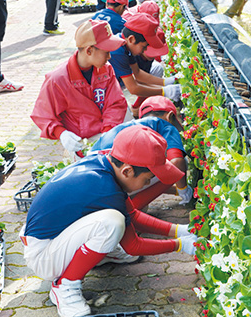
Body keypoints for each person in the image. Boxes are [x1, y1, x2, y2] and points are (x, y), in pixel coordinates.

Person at [19, 125, 197, 317]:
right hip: (44, 255)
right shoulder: (105, 188)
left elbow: (133, 216)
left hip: (54, 237)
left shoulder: (104, 163)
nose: (147, 185)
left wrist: (180, 230)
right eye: (147, 180)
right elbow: (133, 246)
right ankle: (64, 286)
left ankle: (104, 251)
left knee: (115, 221)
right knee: (112, 224)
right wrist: (179, 246)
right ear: (127, 171)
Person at [30, 20, 129, 158]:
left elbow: (116, 103)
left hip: (107, 132)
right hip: (79, 142)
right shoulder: (58, 79)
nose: (109, 57)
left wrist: (108, 133)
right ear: (89, 50)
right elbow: (43, 114)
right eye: (106, 52)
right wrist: (62, 133)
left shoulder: (106, 69)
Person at [91, 96, 193, 207]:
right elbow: (176, 162)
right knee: (178, 166)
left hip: (97, 171)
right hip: (117, 175)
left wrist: (174, 191)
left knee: (143, 173)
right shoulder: (165, 125)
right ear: (170, 116)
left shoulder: (130, 126)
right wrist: (183, 189)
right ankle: (132, 209)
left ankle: (128, 207)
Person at [108, 13, 181, 114]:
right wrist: (164, 91)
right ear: (131, 39)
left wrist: (165, 82)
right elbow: (133, 88)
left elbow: (137, 73)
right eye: (144, 46)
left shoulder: (127, 47)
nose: (145, 50)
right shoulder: (117, 52)